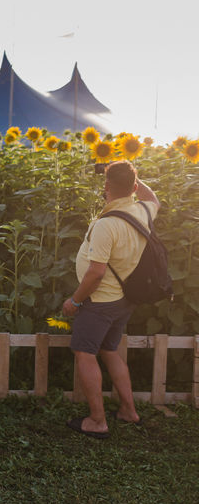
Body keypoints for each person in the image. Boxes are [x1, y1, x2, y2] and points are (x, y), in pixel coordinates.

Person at [62, 160, 158, 439]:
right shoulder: (143, 210)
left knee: (85, 353)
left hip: (99, 302)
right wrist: (133, 177)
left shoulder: (107, 225)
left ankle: (97, 420)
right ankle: (129, 411)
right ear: (134, 188)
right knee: (109, 350)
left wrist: (75, 302)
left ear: (106, 188)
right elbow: (152, 197)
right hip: (123, 299)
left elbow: (95, 274)